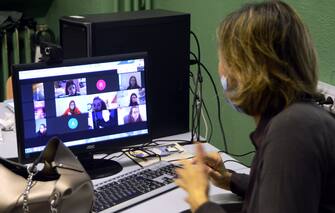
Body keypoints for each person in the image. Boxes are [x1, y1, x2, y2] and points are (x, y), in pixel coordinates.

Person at [175, 1, 335, 213]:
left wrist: (200, 201)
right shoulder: (300, 118)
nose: (221, 70)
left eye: (224, 59)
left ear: (246, 69)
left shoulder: (292, 130)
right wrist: (230, 179)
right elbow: (284, 194)